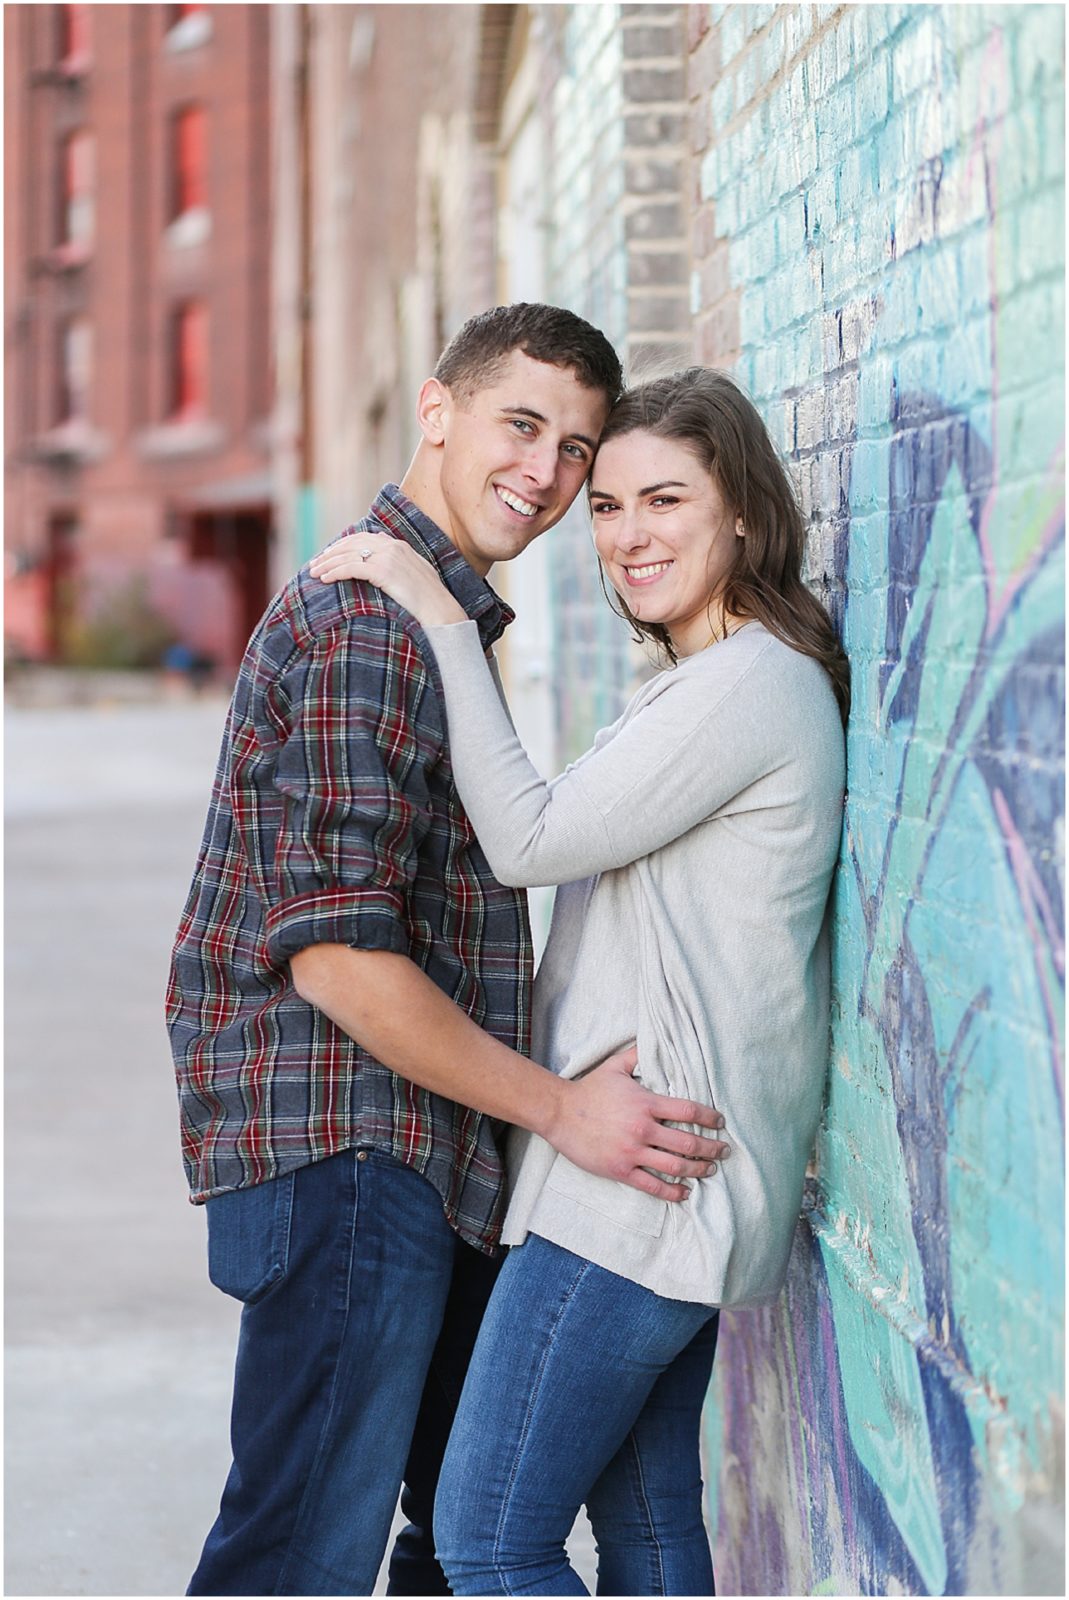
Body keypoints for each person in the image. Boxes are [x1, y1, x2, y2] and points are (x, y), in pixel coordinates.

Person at [166, 307, 731, 1598]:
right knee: (298, 1554)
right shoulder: (370, 625)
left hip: (415, 1155)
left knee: (454, 1536)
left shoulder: (429, 620)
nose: (544, 472)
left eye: (575, 449)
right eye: (520, 425)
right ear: (438, 411)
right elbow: (337, 959)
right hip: (349, 1152)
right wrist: (563, 1114)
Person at [309, 365, 850, 1595]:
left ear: (745, 516)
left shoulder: (749, 683)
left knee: (488, 1541)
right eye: (606, 507)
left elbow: (529, 839)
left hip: (637, 1196)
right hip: (669, 1179)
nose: (627, 535)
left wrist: (446, 624)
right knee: (650, 1525)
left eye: (664, 500)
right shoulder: (716, 685)